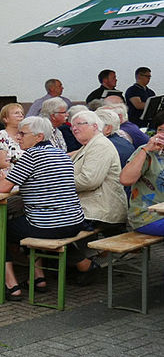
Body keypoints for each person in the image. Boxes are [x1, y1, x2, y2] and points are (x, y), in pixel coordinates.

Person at [0, 117, 87, 300]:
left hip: (48, 226)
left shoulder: (31, 156)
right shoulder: (61, 154)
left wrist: (2, 177)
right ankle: (38, 278)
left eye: (23, 134)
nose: (18, 137)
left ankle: (11, 286)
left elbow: (3, 188)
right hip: (75, 221)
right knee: (26, 222)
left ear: (38, 137)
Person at [68, 110, 127, 283]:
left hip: (102, 209)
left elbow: (88, 181)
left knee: (53, 225)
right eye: (72, 126)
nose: (74, 128)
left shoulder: (99, 145)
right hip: (93, 206)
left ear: (95, 126)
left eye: (80, 124)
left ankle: (83, 263)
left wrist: (58, 184)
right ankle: (79, 262)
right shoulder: (91, 145)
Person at [119, 111, 164, 235]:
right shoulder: (147, 152)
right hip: (148, 216)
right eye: (160, 130)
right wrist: (146, 149)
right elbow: (125, 180)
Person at [0, 102, 25, 169]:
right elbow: (2, 164)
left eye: (22, 113)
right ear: (5, 119)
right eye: (16, 113)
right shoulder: (0, 136)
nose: (21, 115)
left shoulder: (26, 135)